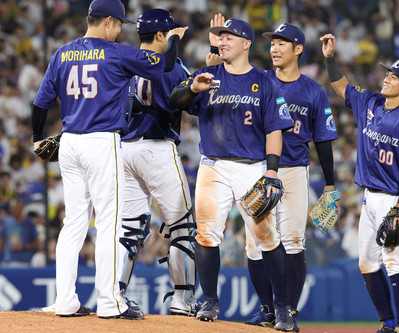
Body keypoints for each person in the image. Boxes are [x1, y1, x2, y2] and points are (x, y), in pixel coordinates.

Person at [32, 0, 185, 320]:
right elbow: (164, 66)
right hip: (101, 142)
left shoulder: (62, 52)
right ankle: (110, 301)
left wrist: (36, 138)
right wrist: (173, 39)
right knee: (108, 223)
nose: (120, 31)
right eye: (119, 25)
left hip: (70, 143)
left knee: (73, 223)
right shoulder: (115, 52)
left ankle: (66, 301)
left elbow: (41, 102)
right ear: (109, 22)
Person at [169, 18, 295, 331]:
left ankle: (283, 310)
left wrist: (272, 171)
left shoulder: (265, 82)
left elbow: (275, 130)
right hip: (214, 164)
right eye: (219, 37)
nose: (222, 42)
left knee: (267, 239)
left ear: (246, 43)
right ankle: (209, 300)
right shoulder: (207, 76)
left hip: (253, 168)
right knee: (206, 235)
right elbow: (176, 102)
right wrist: (189, 87)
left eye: (229, 37)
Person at [321, 33, 399, 333]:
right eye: (388, 73)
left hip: (396, 198)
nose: (387, 79)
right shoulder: (370, 102)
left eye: (395, 77)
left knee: (395, 264)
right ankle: (387, 323)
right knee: (367, 264)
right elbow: (341, 87)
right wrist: (329, 58)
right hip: (369, 195)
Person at [244, 23, 339, 332]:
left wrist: (329, 184)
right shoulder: (258, 80)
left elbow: (323, 140)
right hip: (258, 168)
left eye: (282, 43)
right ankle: (267, 310)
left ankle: (289, 313)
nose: (274, 47)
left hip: (295, 170)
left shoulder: (313, 91)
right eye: (273, 42)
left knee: (294, 242)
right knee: (255, 244)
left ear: (298, 49)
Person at [118, 8, 197, 316]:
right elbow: (197, 103)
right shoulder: (172, 66)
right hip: (157, 148)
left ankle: (116, 296)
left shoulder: (124, 60)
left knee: (129, 230)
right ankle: (182, 301)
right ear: (162, 36)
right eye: (170, 34)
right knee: (182, 227)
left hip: (125, 150)